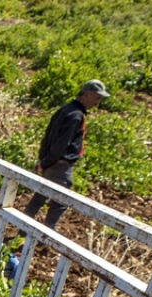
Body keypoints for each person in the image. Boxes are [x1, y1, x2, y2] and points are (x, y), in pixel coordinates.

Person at [22, 79, 109, 229]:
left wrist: (43, 159)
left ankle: (23, 230)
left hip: (51, 163)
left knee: (40, 197)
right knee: (60, 202)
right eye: (97, 98)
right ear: (86, 94)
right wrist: (45, 162)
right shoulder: (76, 115)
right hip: (60, 167)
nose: (97, 103)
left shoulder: (64, 110)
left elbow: (47, 137)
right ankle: (46, 236)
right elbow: (60, 145)